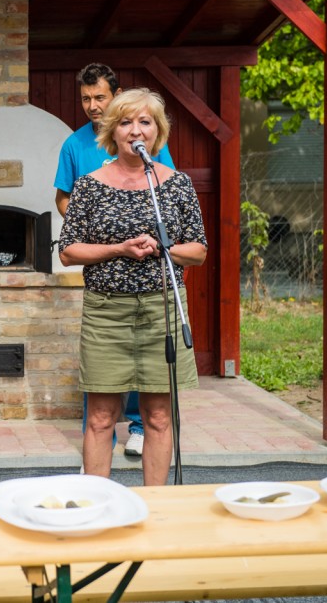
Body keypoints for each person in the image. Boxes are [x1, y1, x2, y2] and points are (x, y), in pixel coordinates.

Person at [58, 88, 207, 486]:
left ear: (158, 132)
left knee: (158, 416)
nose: (135, 130)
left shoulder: (176, 185)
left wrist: (164, 248)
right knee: (101, 417)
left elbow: (198, 251)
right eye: (125, 122)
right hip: (107, 313)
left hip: (162, 311)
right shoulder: (89, 186)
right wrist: (119, 249)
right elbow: (68, 252)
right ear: (112, 131)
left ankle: (154, 510)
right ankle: (98, 507)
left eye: (145, 122)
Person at [54, 63, 177, 459]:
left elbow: (165, 186)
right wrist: (93, 227)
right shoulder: (74, 144)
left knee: (149, 359)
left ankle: (139, 427)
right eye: (86, 99)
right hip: (104, 271)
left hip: (149, 270)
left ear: (117, 94)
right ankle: (100, 444)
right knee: (101, 367)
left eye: (100, 97)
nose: (93, 105)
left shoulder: (146, 138)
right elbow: (62, 198)